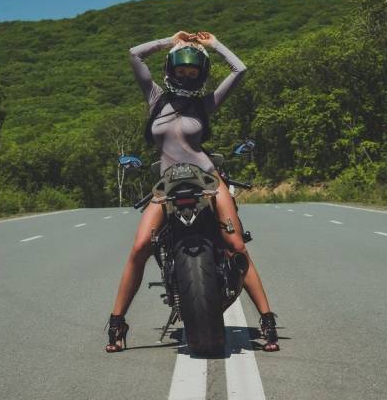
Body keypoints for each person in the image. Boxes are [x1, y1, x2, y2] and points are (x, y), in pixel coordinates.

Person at [106, 31, 279, 353]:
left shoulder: (205, 104)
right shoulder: (155, 98)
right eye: (181, 70)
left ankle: (267, 318)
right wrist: (170, 41)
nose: (186, 75)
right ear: (171, 70)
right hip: (168, 182)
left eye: (192, 71)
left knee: (235, 244)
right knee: (141, 246)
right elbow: (134, 54)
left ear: (201, 74)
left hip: (208, 178)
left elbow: (240, 70)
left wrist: (214, 45)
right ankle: (117, 322)